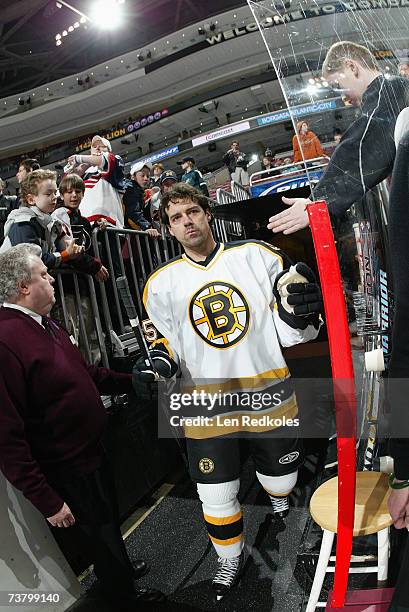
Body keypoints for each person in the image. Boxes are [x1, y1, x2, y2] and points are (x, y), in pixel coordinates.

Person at [133, 183, 322, 600]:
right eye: (177, 218)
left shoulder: (258, 256)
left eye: (192, 212)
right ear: (169, 229)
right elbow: (160, 342)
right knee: (215, 495)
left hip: (267, 392)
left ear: (207, 213)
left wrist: (301, 312)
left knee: (281, 481)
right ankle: (229, 558)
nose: (187, 222)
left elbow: (292, 332)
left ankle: (279, 504)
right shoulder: (160, 284)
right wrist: (157, 364)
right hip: (206, 405)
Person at [0, 243, 165, 610]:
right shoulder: (6, 338)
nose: (52, 279)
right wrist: (47, 500)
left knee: (107, 524)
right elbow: (6, 436)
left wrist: (129, 379)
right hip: (65, 465)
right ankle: (123, 597)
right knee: (98, 535)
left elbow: (85, 374)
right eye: (44, 274)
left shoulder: (44, 323)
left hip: (90, 450)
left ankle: (118, 574)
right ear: (24, 286)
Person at [268, 41, 409, 235]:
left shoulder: (390, 91)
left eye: (338, 85)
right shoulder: (396, 91)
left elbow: (363, 146)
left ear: (352, 67)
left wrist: (317, 201)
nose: (345, 99)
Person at [52, 174, 109, 363]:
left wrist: (96, 226)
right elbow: (71, 250)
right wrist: (94, 265)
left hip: (83, 285)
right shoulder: (58, 216)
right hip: (65, 286)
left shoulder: (83, 220)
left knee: (89, 332)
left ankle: (95, 376)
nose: (74, 195)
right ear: (61, 195)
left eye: (78, 191)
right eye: (69, 192)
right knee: (71, 334)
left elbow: (84, 245)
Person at [0, 169, 83, 268]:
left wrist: (71, 250)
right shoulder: (23, 223)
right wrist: (65, 255)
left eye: (54, 192)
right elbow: (33, 262)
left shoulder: (46, 221)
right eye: (48, 194)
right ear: (31, 199)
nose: (54, 197)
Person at [67, 135, 125, 228]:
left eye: (102, 146)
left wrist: (80, 158)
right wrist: (84, 164)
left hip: (109, 224)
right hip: (85, 225)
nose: (97, 148)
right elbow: (67, 183)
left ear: (109, 150)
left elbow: (105, 160)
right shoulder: (85, 173)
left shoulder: (116, 161)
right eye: (94, 147)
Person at [123, 161, 160, 237]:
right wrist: (147, 226)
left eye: (148, 176)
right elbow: (133, 212)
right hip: (129, 232)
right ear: (133, 176)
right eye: (142, 176)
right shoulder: (131, 188)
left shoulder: (137, 189)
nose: (146, 178)